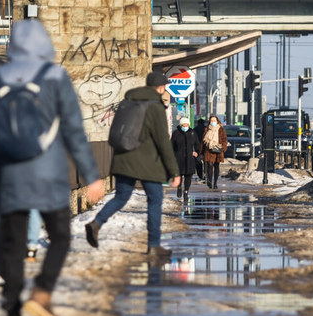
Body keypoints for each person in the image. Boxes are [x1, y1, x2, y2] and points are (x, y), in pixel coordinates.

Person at [0, 20, 104, 316]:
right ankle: (42, 292)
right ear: (44, 43)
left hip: (9, 176)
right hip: (50, 175)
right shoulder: (55, 77)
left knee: (13, 245)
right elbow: (73, 130)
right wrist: (92, 175)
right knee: (59, 236)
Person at [85, 70, 180, 258]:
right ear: (161, 88)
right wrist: (174, 171)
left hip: (123, 159)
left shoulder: (127, 102)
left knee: (121, 197)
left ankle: (96, 223)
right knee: (155, 200)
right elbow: (162, 141)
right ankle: (153, 246)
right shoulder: (155, 107)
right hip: (147, 163)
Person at [170, 116, 198, 205]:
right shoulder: (176, 133)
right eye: (183, 125)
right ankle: (179, 187)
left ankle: (186, 192)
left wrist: (197, 152)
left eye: (186, 125)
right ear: (181, 125)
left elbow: (197, 144)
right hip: (179, 158)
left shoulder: (193, 133)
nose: (185, 126)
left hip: (190, 159)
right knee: (179, 175)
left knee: (188, 176)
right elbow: (171, 146)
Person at [199, 114, 227, 189]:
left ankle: (215, 183)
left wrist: (223, 148)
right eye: (211, 121)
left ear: (217, 121)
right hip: (208, 150)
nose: (213, 122)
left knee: (216, 166)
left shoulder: (220, 129)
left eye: (214, 120)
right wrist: (201, 152)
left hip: (218, 150)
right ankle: (209, 181)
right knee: (210, 166)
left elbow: (224, 139)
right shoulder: (207, 129)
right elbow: (203, 141)